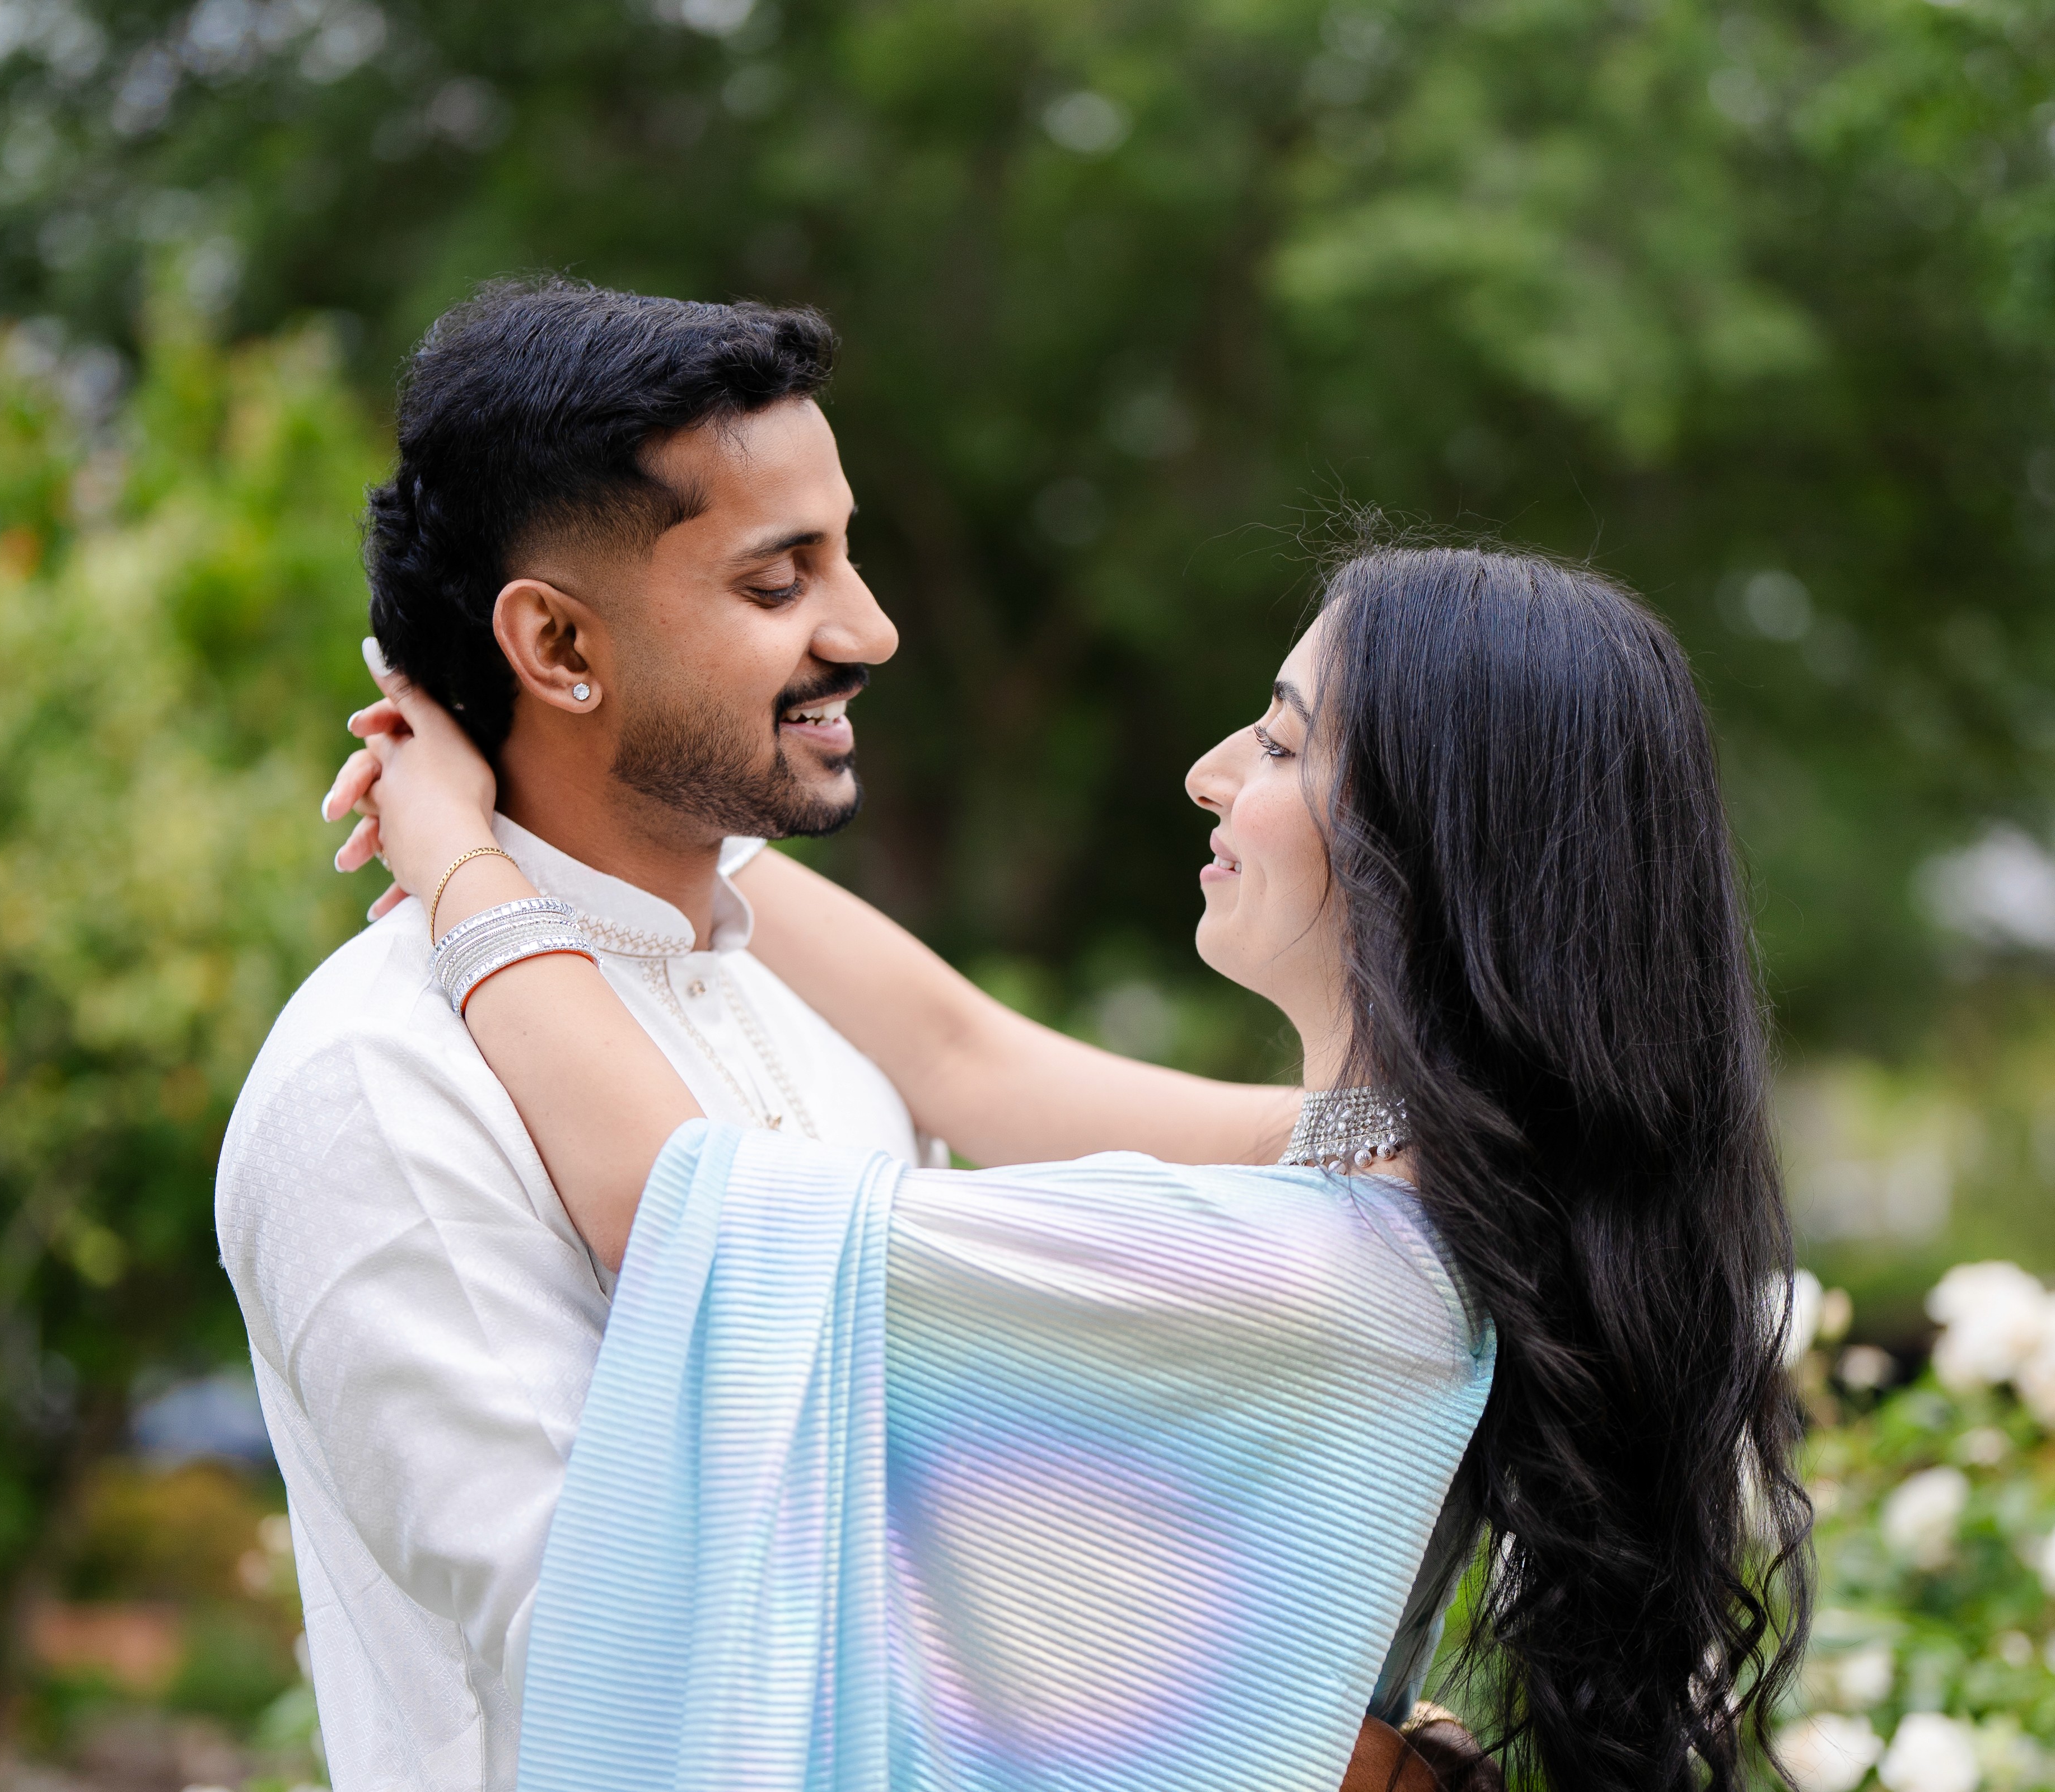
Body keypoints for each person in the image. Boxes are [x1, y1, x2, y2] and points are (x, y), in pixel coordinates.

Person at [328, 545, 1814, 1792]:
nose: (1209, 773)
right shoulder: (1437, 1200)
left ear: (1433, 848)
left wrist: (457, 855)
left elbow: (687, 1210)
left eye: (1282, 742)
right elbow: (968, 1056)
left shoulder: (1313, 1273)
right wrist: (600, 800)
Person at [216, 278, 1299, 1791]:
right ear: (559, 644)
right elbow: (613, 1668)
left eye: (846, 554)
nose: (872, 629)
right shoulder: (381, 1088)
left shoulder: (800, 978)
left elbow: (981, 1071)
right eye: (781, 582)